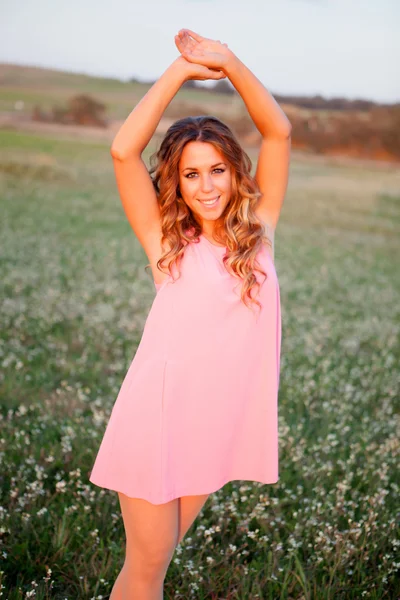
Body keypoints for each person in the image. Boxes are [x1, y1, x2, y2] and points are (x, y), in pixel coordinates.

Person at [89, 28, 291, 600]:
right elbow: (123, 151)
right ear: (176, 182)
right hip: (159, 422)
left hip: (216, 428)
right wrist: (181, 72)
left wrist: (229, 63)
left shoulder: (261, 235)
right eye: (191, 174)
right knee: (148, 569)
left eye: (217, 170)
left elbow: (278, 130)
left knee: (157, 564)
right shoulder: (166, 244)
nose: (206, 186)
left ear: (236, 171)